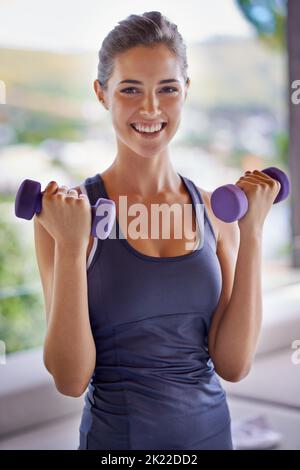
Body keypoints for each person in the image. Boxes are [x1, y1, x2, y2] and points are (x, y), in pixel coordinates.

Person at [34, 11, 281, 450]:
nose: (150, 109)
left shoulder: (215, 210)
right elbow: (71, 380)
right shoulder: (64, 216)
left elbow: (234, 364)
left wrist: (253, 234)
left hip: (212, 436)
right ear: (102, 93)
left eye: (167, 89)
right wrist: (72, 248)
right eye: (130, 89)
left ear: (185, 91)